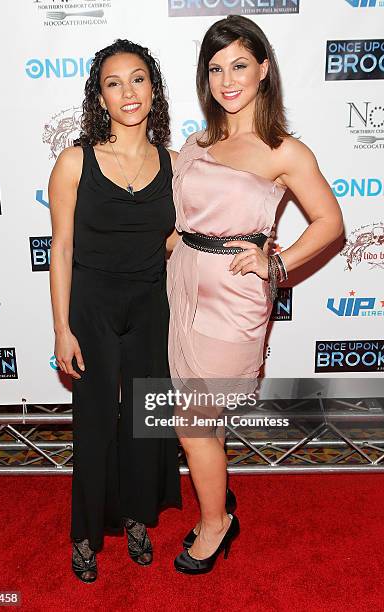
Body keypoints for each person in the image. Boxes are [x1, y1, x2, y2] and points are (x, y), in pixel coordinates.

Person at [167, 15, 344, 575]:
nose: (227, 79)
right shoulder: (198, 141)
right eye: (215, 68)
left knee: (194, 420)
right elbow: (179, 217)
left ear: (264, 70)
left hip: (234, 294)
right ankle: (217, 502)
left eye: (239, 64)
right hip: (182, 284)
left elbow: (329, 224)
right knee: (198, 419)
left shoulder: (284, 150)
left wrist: (277, 262)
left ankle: (216, 523)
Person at [48, 39, 181, 583]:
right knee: (96, 422)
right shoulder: (75, 161)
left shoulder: (174, 163)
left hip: (152, 303)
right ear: (100, 97)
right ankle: (83, 533)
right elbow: (60, 248)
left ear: (153, 88)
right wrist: (62, 329)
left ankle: (135, 516)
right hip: (93, 307)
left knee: (146, 420)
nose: (128, 91)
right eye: (113, 82)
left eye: (138, 79)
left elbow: (177, 238)